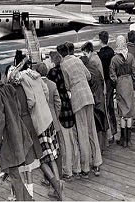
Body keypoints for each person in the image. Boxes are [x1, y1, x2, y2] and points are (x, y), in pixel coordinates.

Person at [8, 61, 64, 200]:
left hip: (39, 121)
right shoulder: (35, 75)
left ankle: (56, 184)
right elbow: (45, 91)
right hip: (48, 117)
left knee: (42, 158)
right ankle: (57, 183)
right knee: (52, 155)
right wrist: (43, 103)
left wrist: (31, 110)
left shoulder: (24, 81)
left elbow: (31, 101)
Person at [0, 64, 33, 201]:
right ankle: (28, 199)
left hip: (7, 137)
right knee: (15, 173)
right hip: (17, 131)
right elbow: (18, 108)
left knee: (14, 175)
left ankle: (22, 199)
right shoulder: (9, 87)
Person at [57, 43, 102, 178]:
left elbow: (66, 85)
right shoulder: (77, 59)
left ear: (60, 55)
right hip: (88, 95)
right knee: (91, 130)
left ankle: (85, 167)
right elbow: (88, 76)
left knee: (82, 132)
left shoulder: (63, 65)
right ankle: (97, 162)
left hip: (77, 98)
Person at [5, 65, 43, 199]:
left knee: (17, 163)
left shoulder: (8, 90)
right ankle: (31, 192)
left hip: (18, 125)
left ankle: (16, 193)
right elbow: (30, 101)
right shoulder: (23, 86)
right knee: (30, 163)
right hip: (28, 122)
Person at [47, 51, 81, 180]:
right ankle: (77, 167)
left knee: (64, 142)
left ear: (52, 61)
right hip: (69, 105)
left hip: (61, 110)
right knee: (73, 139)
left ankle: (67, 170)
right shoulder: (64, 69)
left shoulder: (52, 73)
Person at [35, 62, 63, 181]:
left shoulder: (36, 86)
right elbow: (58, 103)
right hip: (53, 122)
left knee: (45, 153)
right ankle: (58, 176)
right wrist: (55, 117)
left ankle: (48, 178)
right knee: (57, 151)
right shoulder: (52, 84)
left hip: (42, 122)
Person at [110, 35, 135, 147]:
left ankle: (123, 139)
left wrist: (117, 81)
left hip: (120, 84)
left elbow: (112, 75)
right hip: (129, 83)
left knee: (122, 114)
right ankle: (129, 139)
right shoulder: (130, 57)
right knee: (130, 113)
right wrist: (131, 80)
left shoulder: (114, 59)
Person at [80, 56, 109, 151]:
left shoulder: (87, 72)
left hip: (94, 99)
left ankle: (98, 148)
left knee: (96, 125)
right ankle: (104, 144)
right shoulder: (95, 69)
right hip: (100, 96)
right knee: (103, 121)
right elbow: (101, 80)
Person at [97, 31, 117, 142]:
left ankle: (109, 133)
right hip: (111, 81)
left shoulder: (100, 55)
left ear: (100, 40)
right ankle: (114, 131)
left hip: (104, 82)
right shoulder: (111, 52)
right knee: (111, 107)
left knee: (106, 106)